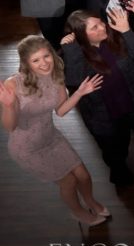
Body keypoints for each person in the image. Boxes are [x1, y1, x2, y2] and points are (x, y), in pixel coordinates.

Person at [0, 35, 108, 226]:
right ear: (26, 63)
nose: (44, 63)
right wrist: (8, 106)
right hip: (27, 148)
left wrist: (79, 93)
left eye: (46, 56)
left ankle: (90, 201)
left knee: (83, 175)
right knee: (69, 182)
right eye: (35, 60)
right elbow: (10, 127)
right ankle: (78, 213)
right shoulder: (13, 85)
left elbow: (60, 111)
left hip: (51, 138)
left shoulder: (56, 75)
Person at [61, 9, 134, 187]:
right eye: (95, 27)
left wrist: (126, 31)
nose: (103, 27)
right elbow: (75, 80)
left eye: (101, 22)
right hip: (105, 116)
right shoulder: (74, 53)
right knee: (115, 153)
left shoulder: (116, 36)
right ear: (80, 35)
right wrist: (71, 50)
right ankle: (122, 178)